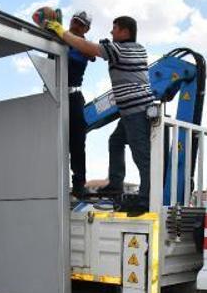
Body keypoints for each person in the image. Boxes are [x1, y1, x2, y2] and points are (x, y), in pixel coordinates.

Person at [47, 16, 154, 212]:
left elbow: (88, 49)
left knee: (142, 157)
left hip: (135, 112)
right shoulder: (138, 48)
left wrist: (61, 32)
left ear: (124, 31)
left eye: (114, 29)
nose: (111, 33)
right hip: (133, 110)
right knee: (115, 141)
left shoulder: (118, 49)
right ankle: (115, 184)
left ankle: (146, 199)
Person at [66, 11, 95, 199]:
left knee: (77, 141)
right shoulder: (60, 37)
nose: (76, 25)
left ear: (86, 29)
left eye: (80, 24)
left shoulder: (85, 46)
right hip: (53, 96)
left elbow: (87, 55)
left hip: (73, 96)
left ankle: (79, 184)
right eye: (74, 21)